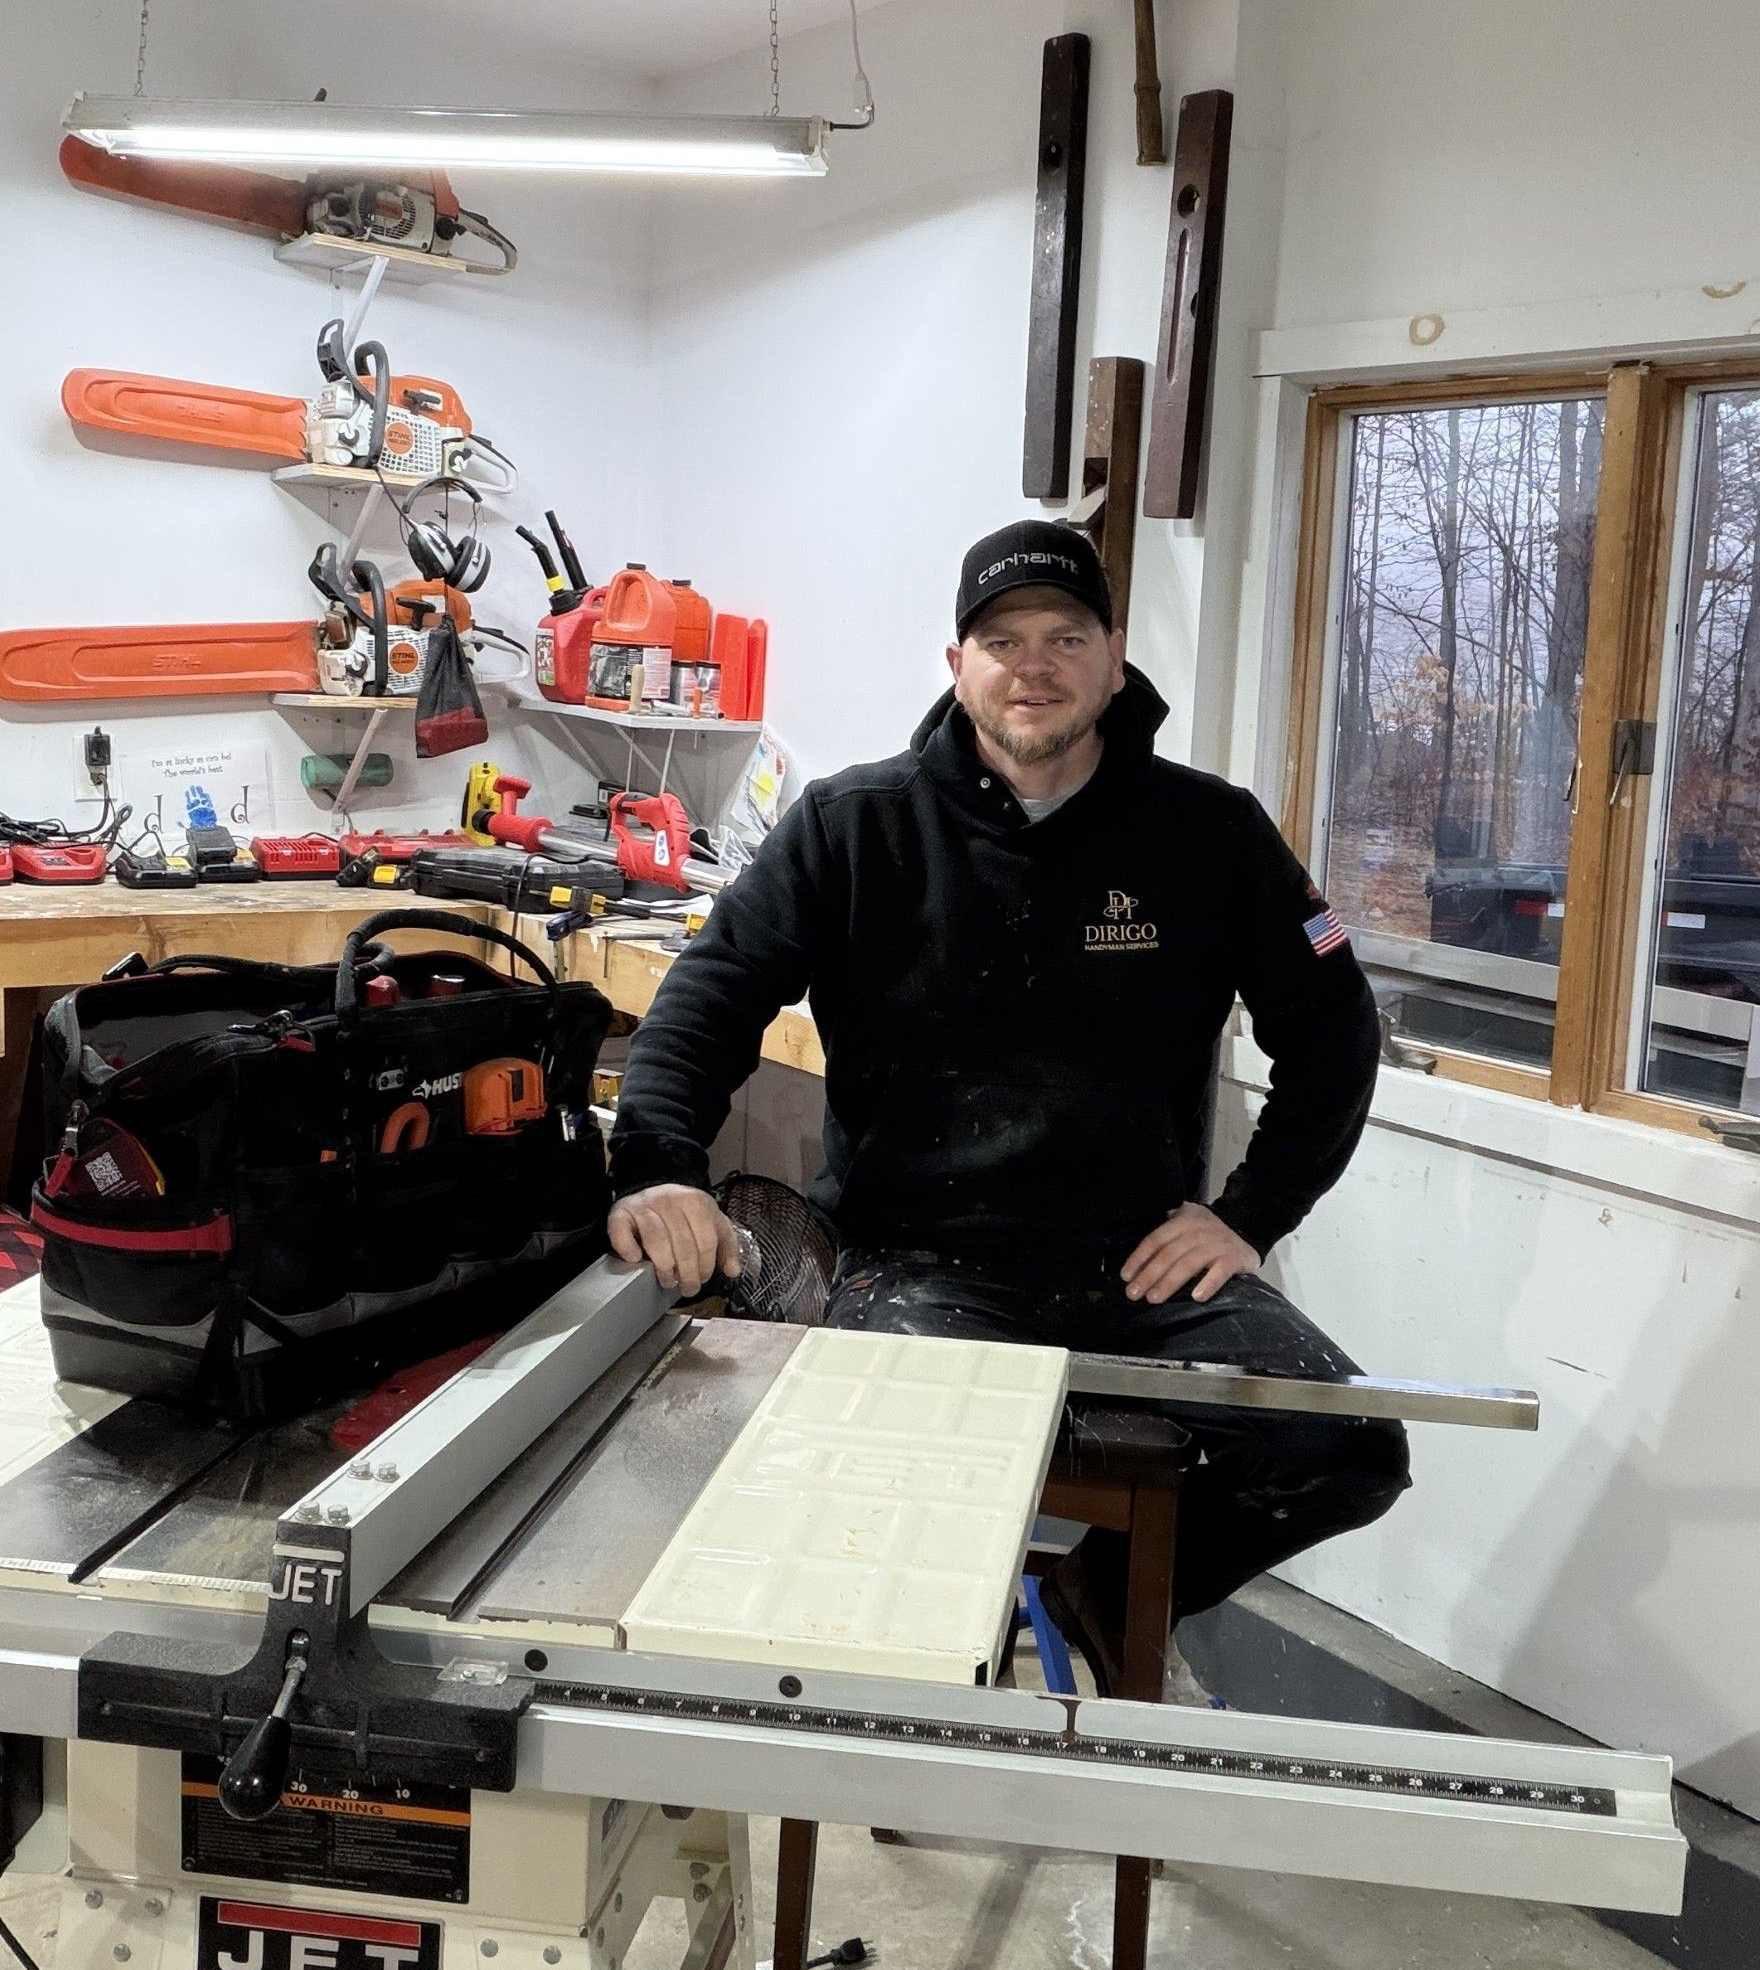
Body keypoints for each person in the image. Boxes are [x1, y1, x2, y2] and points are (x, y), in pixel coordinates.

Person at [607, 518, 1409, 1700]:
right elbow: (709, 995)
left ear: (1113, 656)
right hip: (909, 1259)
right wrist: (657, 1162)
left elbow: (1336, 1029)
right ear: (956, 664)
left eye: (1062, 636)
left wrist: (1250, 1213)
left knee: (1345, 1447)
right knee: (926, 1458)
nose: (1031, 665)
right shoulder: (850, 824)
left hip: (1134, 1263)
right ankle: (931, 1674)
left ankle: (1112, 1586)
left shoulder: (1208, 832)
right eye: (1000, 639)